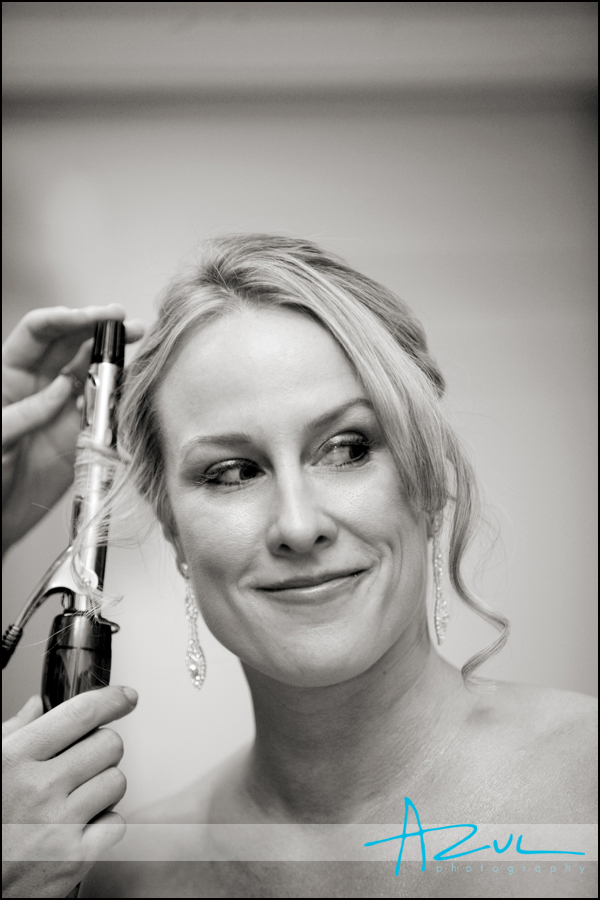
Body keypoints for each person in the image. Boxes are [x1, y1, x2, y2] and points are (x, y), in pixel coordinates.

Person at [2, 236, 596, 899]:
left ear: (427, 476)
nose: (297, 524)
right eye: (232, 472)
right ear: (173, 530)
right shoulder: (120, 876)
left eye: (346, 448)